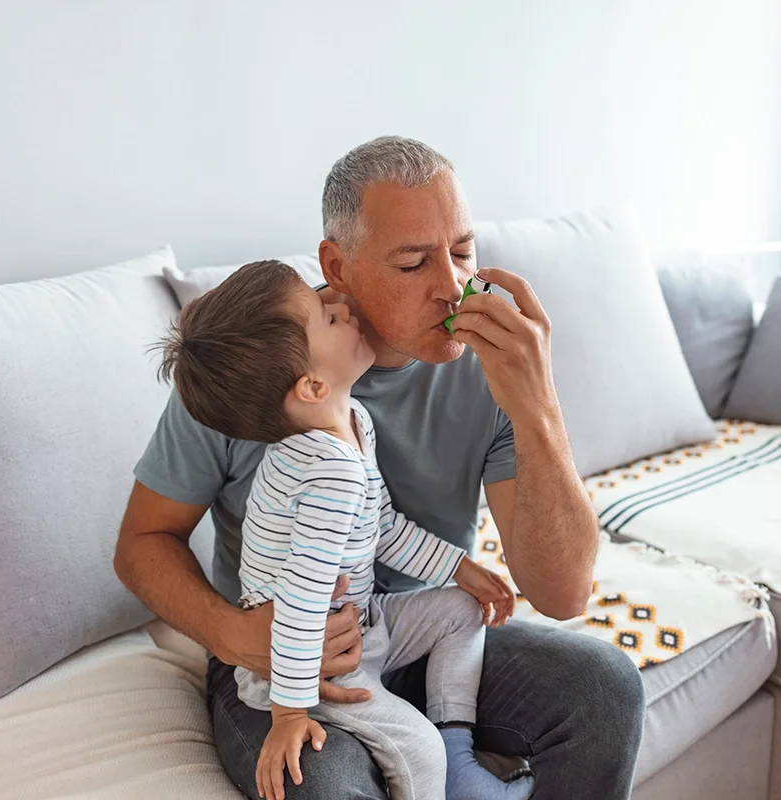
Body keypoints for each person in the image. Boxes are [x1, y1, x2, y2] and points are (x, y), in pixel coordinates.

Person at [114, 135, 646, 799]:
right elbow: (141, 543)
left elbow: (564, 594)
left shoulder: (494, 371)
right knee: (322, 785)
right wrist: (238, 637)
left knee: (603, 689)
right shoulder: (260, 361)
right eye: (413, 263)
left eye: (461, 252)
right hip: (287, 658)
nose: (452, 287)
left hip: (412, 629)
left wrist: (538, 404)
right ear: (337, 266)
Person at [154, 260, 533, 800]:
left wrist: (459, 567)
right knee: (415, 751)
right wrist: (290, 712)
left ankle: (456, 742)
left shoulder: (352, 422)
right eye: (325, 319)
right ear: (311, 385)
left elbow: (382, 527)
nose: (339, 305)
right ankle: (444, 763)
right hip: (307, 662)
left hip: (361, 621)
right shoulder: (324, 470)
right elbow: (303, 600)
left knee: (460, 610)